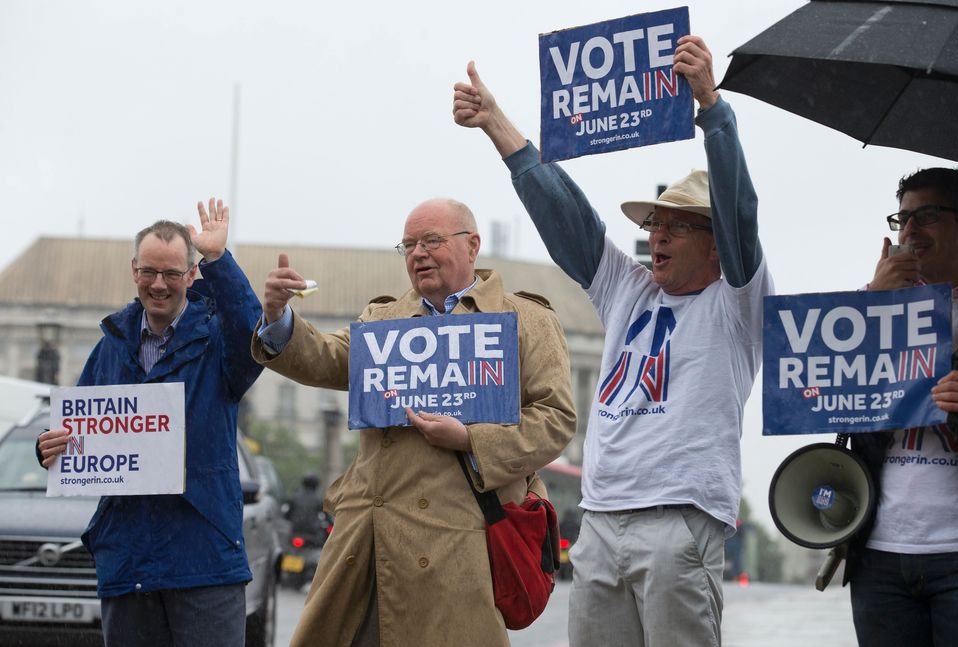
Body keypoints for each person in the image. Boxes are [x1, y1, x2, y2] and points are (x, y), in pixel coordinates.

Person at [453, 35, 773, 646]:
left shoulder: (736, 299)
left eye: (678, 226)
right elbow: (565, 214)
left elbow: (740, 212)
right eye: (655, 224)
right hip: (600, 522)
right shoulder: (629, 289)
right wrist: (498, 125)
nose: (657, 236)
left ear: (715, 244)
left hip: (680, 519)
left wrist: (711, 105)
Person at [252, 197, 576, 647]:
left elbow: (555, 420)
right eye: (408, 245)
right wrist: (278, 317)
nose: (418, 253)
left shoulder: (526, 320)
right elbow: (327, 359)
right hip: (368, 541)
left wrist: (469, 438)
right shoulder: (383, 319)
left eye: (432, 241)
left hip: (460, 549)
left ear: (472, 246)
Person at [36, 200, 264, 647]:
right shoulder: (109, 346)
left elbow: (253, 332)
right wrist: (48, 447)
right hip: (129, 562)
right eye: (150, 272)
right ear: (134, 270)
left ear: (191, 276)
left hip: (204, 562)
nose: (159, 285)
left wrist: (219, 258)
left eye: (172, 274)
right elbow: (75, 429)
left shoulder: (219, 342)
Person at [845, 168, 958, 647]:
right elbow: (817, 388)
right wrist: (875, 302)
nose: (911, 231)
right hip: (880, 554)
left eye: (928, 216)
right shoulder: (871, 306)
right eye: (903, 218)